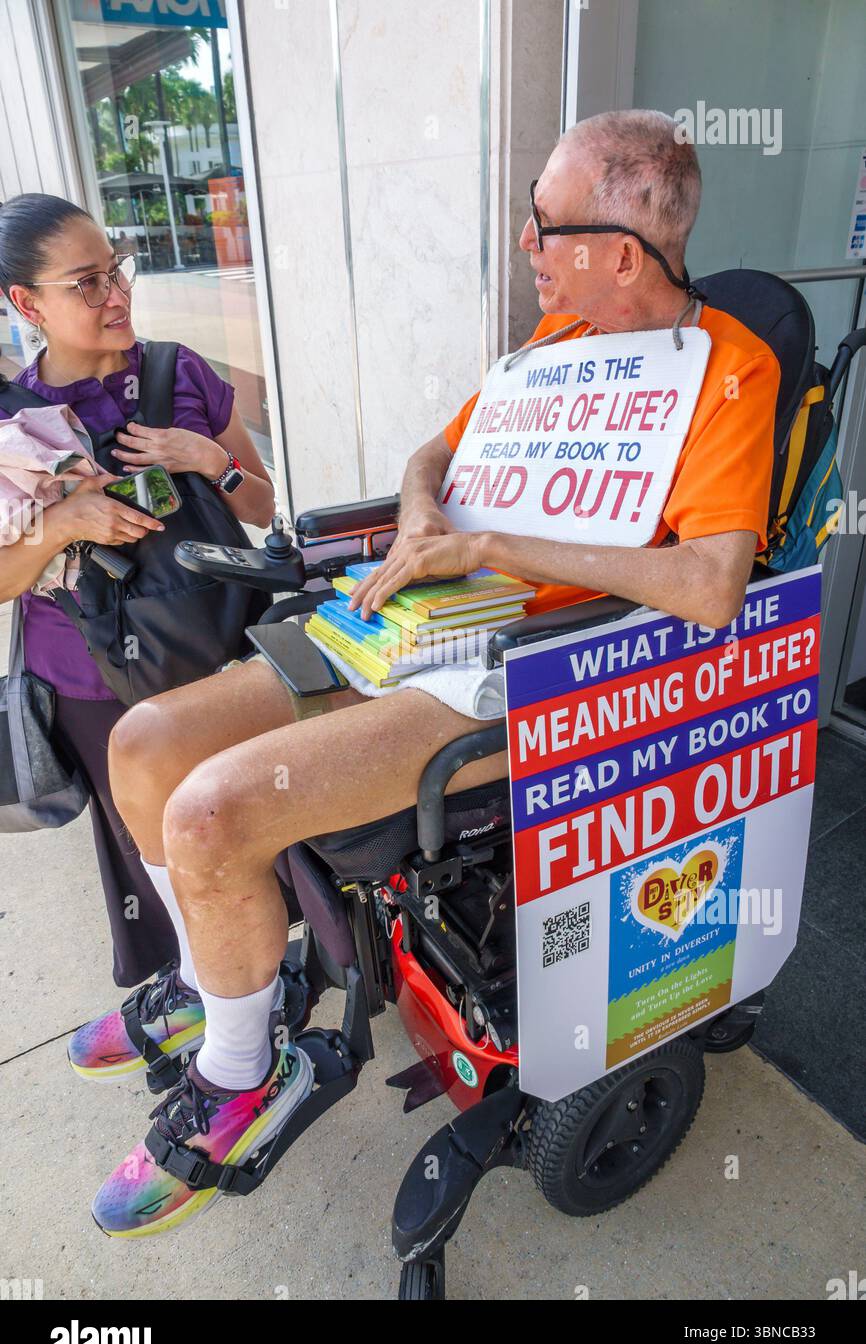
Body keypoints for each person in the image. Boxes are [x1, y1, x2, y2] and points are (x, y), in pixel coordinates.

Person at [69, 110, 781, 1237]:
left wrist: (487, 550)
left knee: (210, 813)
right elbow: (430, 455)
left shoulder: (726, 373)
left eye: (542, 225)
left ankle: (245, 1068)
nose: (527, 245)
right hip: (421, 620)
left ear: (619, 253)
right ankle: (222, 995)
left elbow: (705, 585)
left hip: (529, 673)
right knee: (143, 745)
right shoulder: (549, 349)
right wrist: (417, 524)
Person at [0, 194, 276, 987]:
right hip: (88, 678)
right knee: (145, 847)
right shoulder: (15, 425)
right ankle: (190, 990)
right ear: (28, 304)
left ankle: (254, 987)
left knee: (237, 830)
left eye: (116, 271)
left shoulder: (176, 370)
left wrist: (205, 459)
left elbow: (262, 504)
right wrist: (62, 524)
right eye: (85, 283)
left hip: (214, 657)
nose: (116, 296)